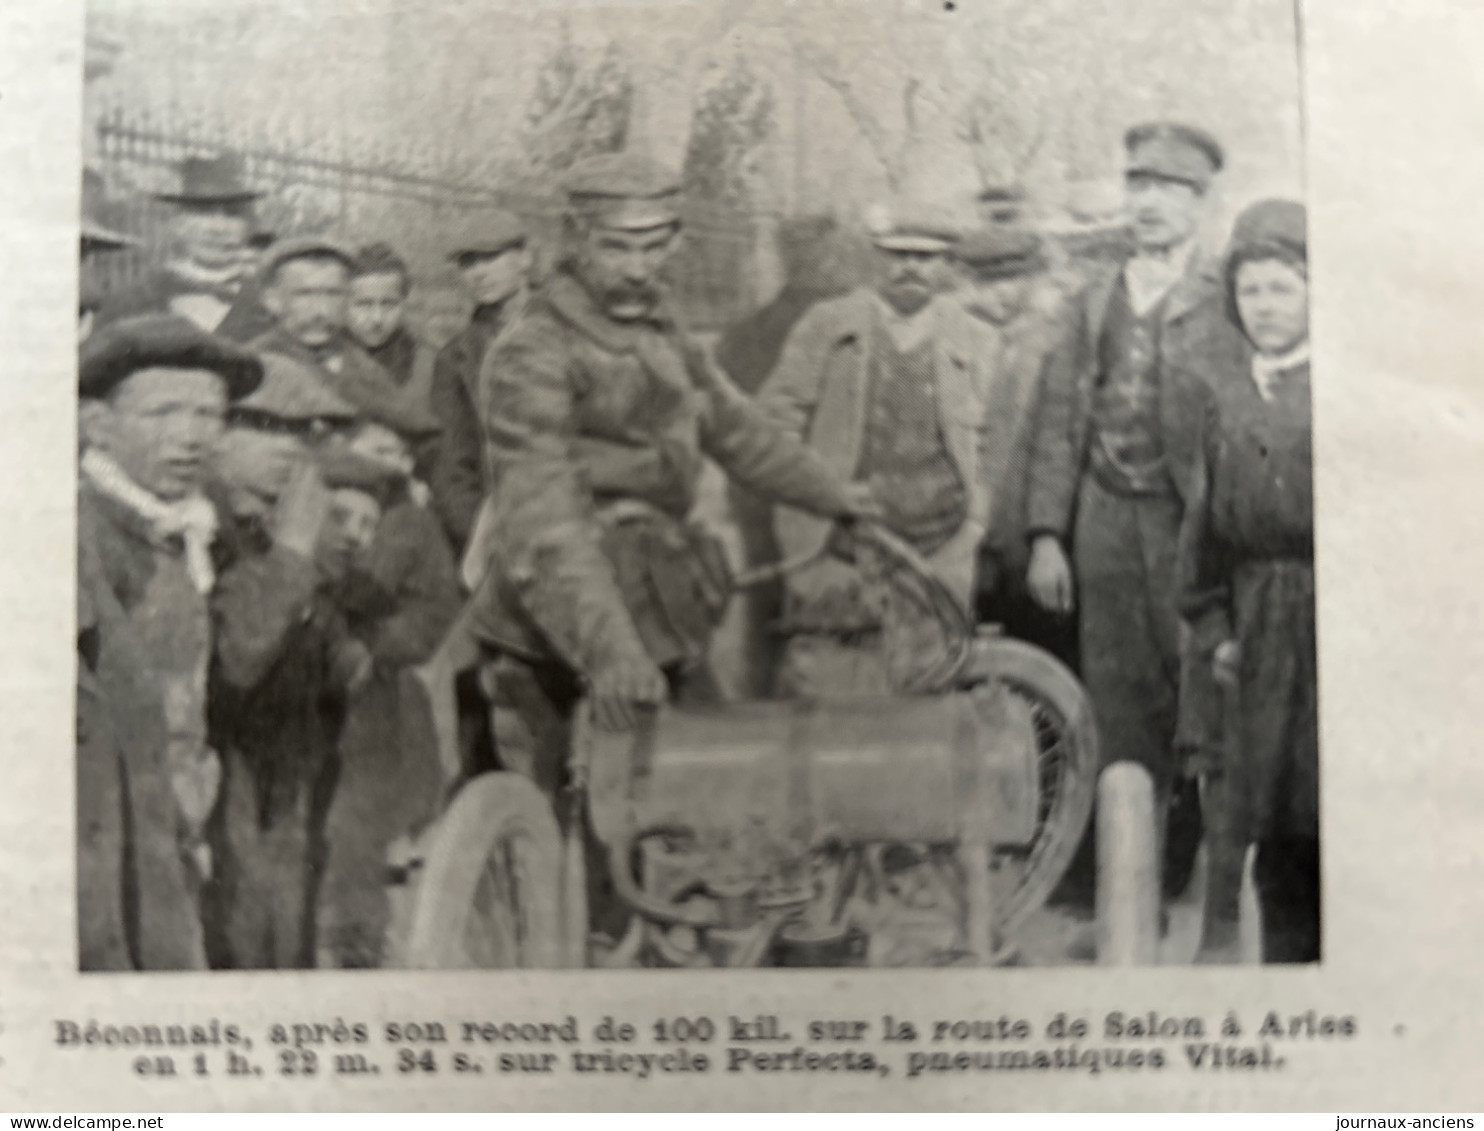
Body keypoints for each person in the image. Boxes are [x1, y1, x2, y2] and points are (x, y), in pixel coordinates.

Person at [469, 150, 868, 825]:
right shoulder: (534, 350)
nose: (638, 267)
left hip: (657, 608)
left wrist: (833, 495)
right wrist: (611, 651)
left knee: (689, 812)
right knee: (567, 841)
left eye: (656, 246)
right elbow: (547, 526)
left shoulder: (662, 335)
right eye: (618, 246)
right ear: (574, 239)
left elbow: (739, 431)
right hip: (553, 638)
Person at [1022, 122, 1233, 905]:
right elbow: (1054, 424)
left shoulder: (1223, 298)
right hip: (1104, 520)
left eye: (1169, 190)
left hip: (1191, 529)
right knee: (1116, 698)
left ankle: (1198, 873)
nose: (1148, 204)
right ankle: (1125, 878)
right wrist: (1047, 535)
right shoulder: (1091, 301)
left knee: (1201, 691)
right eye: (1139, 187)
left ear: (1198, 203)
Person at [754, 202, 1009, 698]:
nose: (910, 267)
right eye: (896, 254)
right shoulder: (828, 325)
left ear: (948, 265)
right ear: (874, 256)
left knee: (930, 691)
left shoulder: (979, 340)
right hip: (840, 549)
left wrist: (975, 525)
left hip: (940, 550)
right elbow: (773, 421)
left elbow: (1000, 445)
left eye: (925, 257)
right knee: (832, 692)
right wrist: (807, 504)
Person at [76, 315, 264, 971]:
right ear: (96, 425)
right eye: (161, 412)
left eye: (209, 413)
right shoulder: (81, 535)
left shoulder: (191, 529)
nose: (190, 436)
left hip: (172, 830)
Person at [205, 351, 397, 969]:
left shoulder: (265, 519)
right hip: (223, 773)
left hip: (286, 764)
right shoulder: (198, 524)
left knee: (282, 920)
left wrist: (342, 645)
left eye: (298, 432)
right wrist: (292, 556)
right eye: (262, 427)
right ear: (214, 428)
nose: (287, 449)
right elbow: (238, 658)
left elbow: (310, 605)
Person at [1177, 200, 1316, 964]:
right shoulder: (1226, 402)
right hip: (1258, 637)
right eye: (1251, 291)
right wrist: (1218, 631)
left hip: (1329, 631)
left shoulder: (1339, 393)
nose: (1264, 307)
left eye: (1283, 290)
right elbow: (1203, 546)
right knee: (1271, 829)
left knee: (1330, 819)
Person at [316, 392, 460, 969]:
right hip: (311, 679)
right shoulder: (325, 500)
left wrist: (374, 648)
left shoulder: (413, 522)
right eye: (377, 449)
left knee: (358, 820)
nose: (390, 463)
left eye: (401, 454)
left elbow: (431, 613)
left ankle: (357, 941)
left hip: (377, 693)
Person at [713, 214, 857, 698]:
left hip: (762, 499)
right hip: (831, 501)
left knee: (767, 629)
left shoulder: (742, 334)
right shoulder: (850, 324)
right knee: (834, 634)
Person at [955, 225, 1079, 667]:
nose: (1003, 294)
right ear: (967, 282)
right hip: (968, 533)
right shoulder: (953, 340)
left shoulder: (1056, 343)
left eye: (1015, 280)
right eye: (988, 282)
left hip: (1030, 533)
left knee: (1044, 659)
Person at [428, 212, 532, 555]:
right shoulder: (456, 358)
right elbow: (450, 466)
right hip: (498, 531)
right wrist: (480, 534)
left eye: (491, 257)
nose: (479, 272)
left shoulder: (572, 333)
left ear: (526, 258)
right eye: (468, 262)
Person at [93, 154, 268, 340]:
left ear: (250, 225)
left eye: (232, 214)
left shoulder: (269, 303)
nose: (218, 228)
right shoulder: (133, 299)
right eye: (202, 211)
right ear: (177, 223)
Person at [249, 236, 409, 419]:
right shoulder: (253, 367)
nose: (321, 311)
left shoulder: (367, 367)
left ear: (349, 297)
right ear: (272, 300)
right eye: (305, 294)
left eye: (333, 294)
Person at [346, 242, 439, 405]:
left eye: (389, 304)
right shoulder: (325, 362)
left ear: (404, 303)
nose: (377, 319)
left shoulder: (431, 366)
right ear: (344, 303)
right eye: (364, 304)